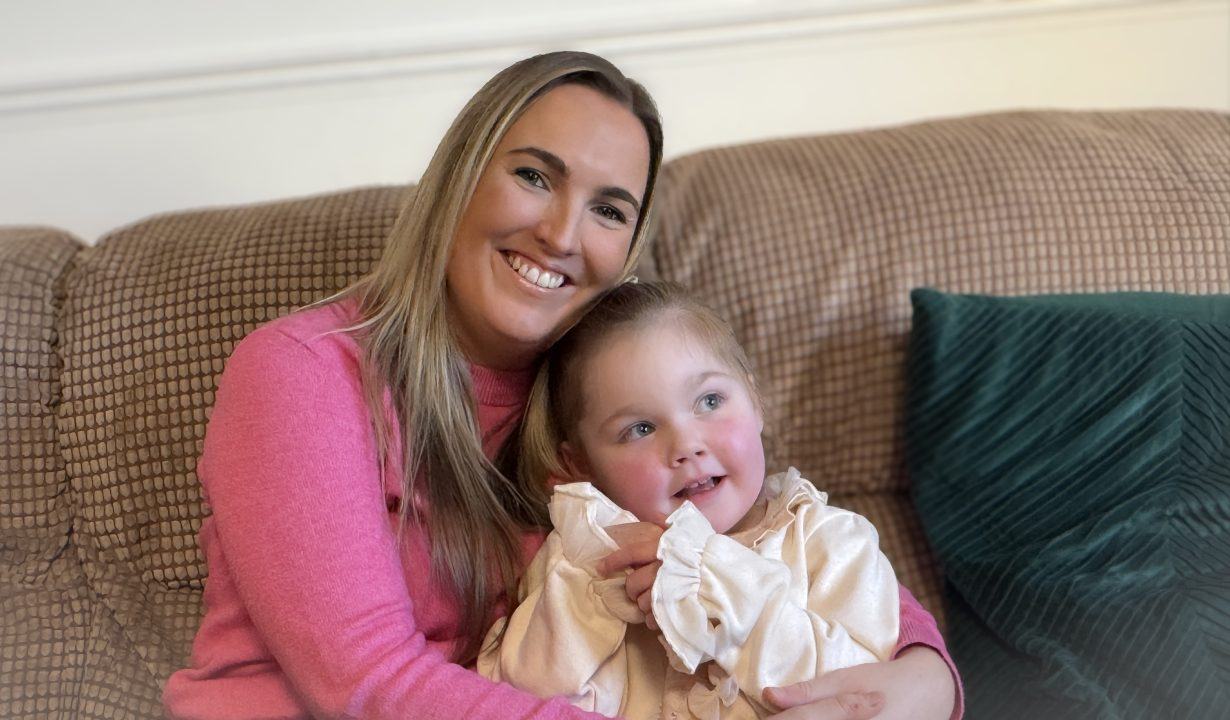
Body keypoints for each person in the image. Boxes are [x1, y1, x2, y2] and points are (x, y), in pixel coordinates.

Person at [162, 50, 962, 719]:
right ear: (460, 176)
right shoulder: (305, 372)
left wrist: (924, 679)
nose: (562, 234)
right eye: (535, 176)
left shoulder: (612, 400)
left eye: (609, 210)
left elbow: (771, 536)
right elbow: (367, 683)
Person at [479, 281, 903, 719]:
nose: (686, 445)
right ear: (581, 465)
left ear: (756, 402)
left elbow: (867, 691)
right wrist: (587, 573)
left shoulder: (833, 542)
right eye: (640, 428)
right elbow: (521, 700)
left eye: (710, 400)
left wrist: (717, 579)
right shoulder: (583, 569)